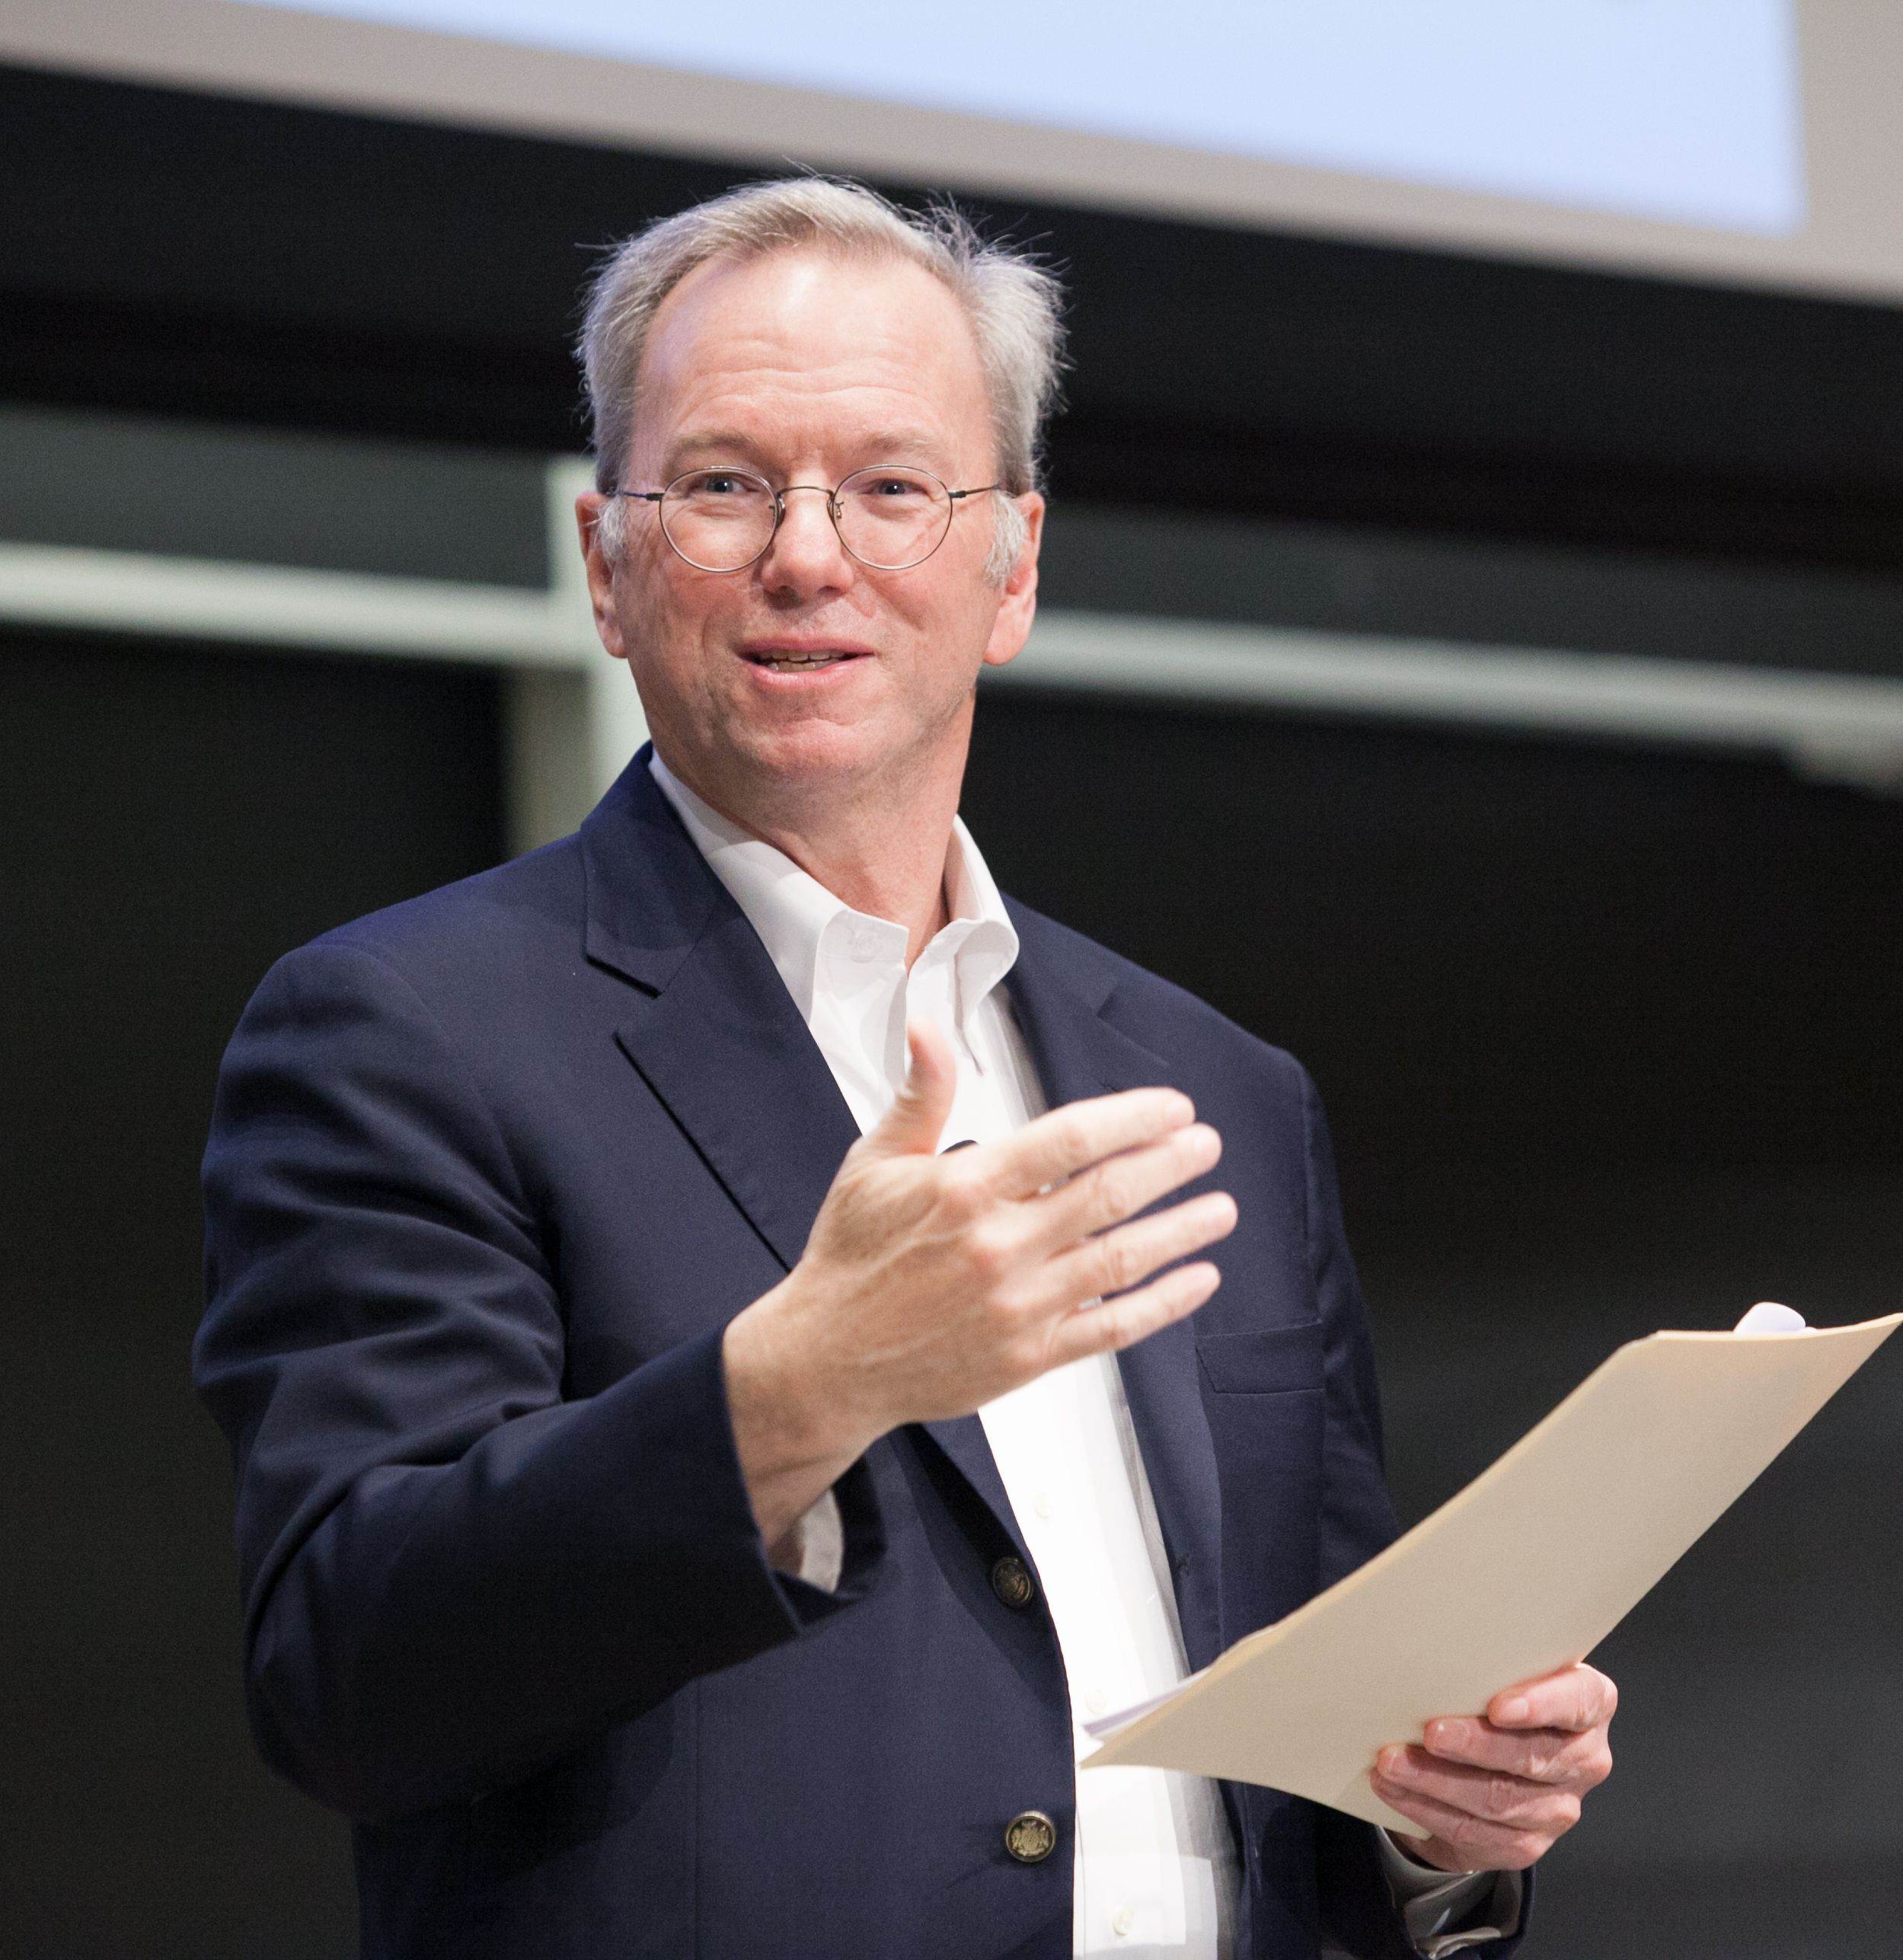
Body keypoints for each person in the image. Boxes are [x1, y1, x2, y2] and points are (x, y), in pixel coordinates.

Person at [196, 177, 1613, 1960]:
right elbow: (348, 1671)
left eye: (889, 488)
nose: (806, 555)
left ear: (1011, 568)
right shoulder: (404, 1030)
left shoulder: (1218, 1090)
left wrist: (1434, 1819)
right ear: (606, 565)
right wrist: (795, 1389)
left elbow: (1314, 1741)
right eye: (724, 486)